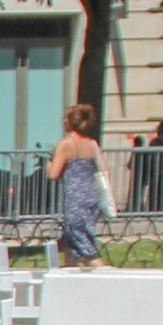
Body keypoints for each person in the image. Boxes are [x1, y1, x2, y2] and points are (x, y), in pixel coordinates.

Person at [46, 102, 107, 267]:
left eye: (66, 118)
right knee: (70, 242)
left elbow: (54, 174)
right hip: (91, 196)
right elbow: (103, 168)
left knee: (84, 245)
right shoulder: (92, 144)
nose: (63, 121)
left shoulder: (66, 144)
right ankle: (69, 276)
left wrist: (48, 164)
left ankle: (107, 275)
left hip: (75, 198)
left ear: (71, 122)